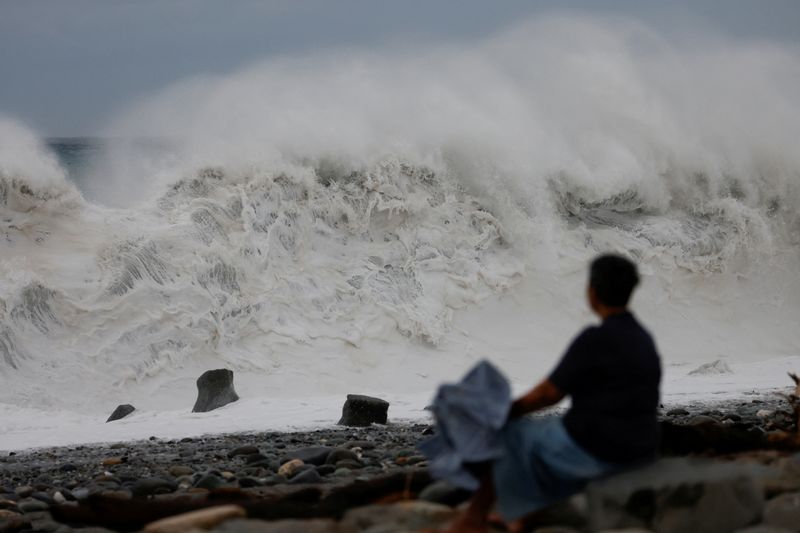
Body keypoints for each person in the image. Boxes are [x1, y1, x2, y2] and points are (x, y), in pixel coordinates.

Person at [446, 254, 662, 533]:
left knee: (511, 434)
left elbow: (548, 394)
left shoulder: (595, 339)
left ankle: (472, 521)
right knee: (546, 434)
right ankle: (525, 515)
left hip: (603, 451)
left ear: (592, 292)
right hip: (642, 447)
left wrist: (505, 411)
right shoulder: (643, 338)